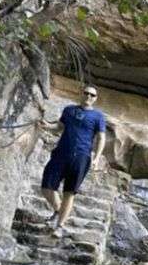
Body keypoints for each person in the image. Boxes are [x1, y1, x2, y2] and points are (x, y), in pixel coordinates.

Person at [41, 85, 106, 238]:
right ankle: (58, 210)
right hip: (61, 153)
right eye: (86, 93)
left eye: (92, 95)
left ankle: (60, 226)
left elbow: (101, 137)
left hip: (81, 157)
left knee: (69, 193)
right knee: (46, 187)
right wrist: (47, 125)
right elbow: (59, 126)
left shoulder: (98, 116)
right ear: (80, 94)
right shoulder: (69, 110)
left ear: (95, 99)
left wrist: (96, 158)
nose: (89, 97)